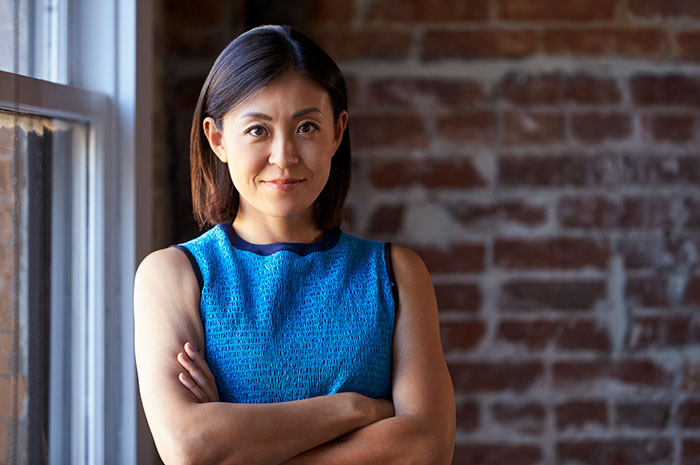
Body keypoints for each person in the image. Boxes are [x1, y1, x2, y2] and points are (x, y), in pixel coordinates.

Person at [134, 25, 455, 465]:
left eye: (306, 126)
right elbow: (190, 449)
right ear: (217, 139)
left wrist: (243, 446)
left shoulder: (397, 274)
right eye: (257, 130)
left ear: (337, 133)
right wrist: (356, 408)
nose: (284, 156)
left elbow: (426, 448)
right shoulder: (174, 275)